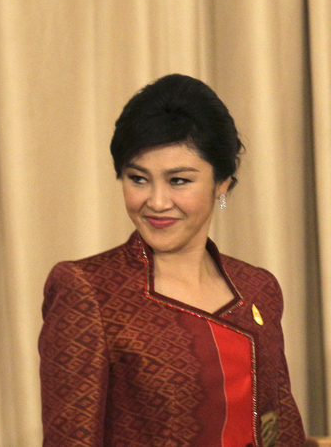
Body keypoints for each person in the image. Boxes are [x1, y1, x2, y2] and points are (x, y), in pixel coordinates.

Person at [38, 74, 305, 447]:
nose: (157, 201)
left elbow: (284, 430)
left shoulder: (258, 288)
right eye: (138, 178)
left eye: (178, 181)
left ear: (223, 183)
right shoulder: (88, 291)